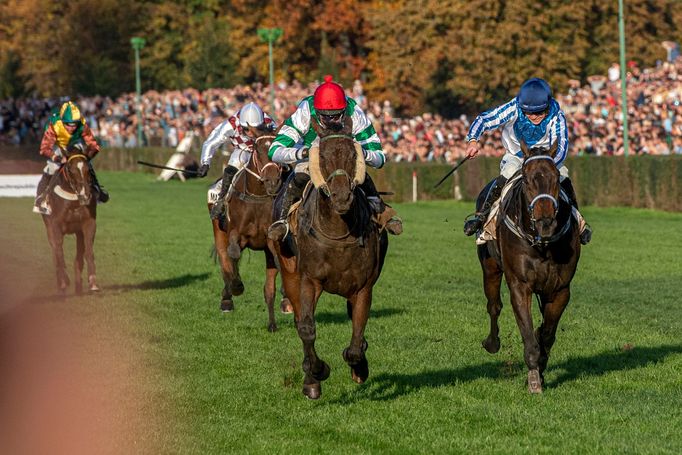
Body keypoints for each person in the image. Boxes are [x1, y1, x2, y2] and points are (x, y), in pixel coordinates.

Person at [266, 75, 402, 241]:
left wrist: (362, 153)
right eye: (325, 117)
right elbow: (274, 151)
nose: (330, 121)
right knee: (300, 176)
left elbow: (380, 158)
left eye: (336, 116)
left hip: (344, 156)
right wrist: (301, 153)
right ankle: (282, 221)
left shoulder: (354, 110)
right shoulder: (306, 109)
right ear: (317, 111)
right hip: (312, 154)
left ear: (344, 111)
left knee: (362, 176)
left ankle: (381, 212)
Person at [462, 77, 592, 244]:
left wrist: (547, 164)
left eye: (539, 112)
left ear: (547, 105)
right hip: (516, 157)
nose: (533, 116)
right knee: (508, 172)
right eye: (528, 112)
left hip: (547, 160)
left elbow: (561, 147)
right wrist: (473, 140)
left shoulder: (556, 115)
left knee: (564, 176)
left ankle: (578, 223)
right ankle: (483, 219)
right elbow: (485, 119)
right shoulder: (513, 107)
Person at [196, 102, 276, 219]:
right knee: (233, 164)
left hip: (262, 153)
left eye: (257, 129)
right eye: (246, 129)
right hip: (242, 151)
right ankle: (221, 200)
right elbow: (211, 142)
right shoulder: (232, 123)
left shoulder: (269, 122)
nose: (251, 133)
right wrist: (205, 163)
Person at [33, 101, 108, 215]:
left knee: (85, 166)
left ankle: (98, 191)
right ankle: (41, 199)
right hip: (58, 145)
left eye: (74, 124)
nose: (72, 127)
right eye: (69, 124)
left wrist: (87, 157)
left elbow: (93, 145)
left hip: (75, 144)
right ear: (63, 121)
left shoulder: (82, 125)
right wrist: (58, 158)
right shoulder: (54, 125)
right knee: (51, 168)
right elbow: (44, 148)